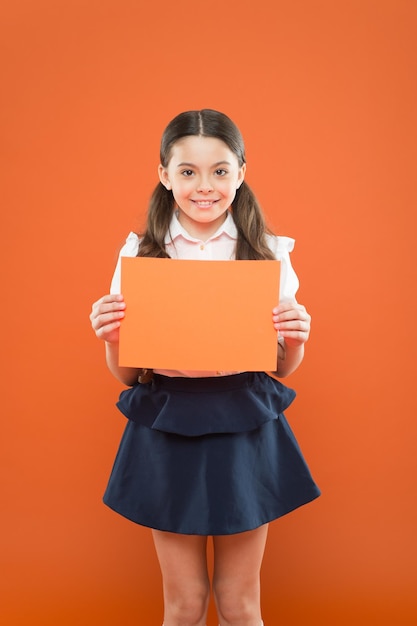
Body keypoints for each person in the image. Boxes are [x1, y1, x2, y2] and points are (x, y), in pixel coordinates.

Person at [90, 109, 320, 626]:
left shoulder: (265, 253)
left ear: (240, 172)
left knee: (240, 603)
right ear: (165, 174)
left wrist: (298, 338)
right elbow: (128, 375)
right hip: (168, 421)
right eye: (188, 171)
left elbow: (282, 367)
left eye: (219, 170)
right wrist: (113, 337)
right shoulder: (141, 253)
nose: (204, 186)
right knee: (185, 603)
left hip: (244, 419)